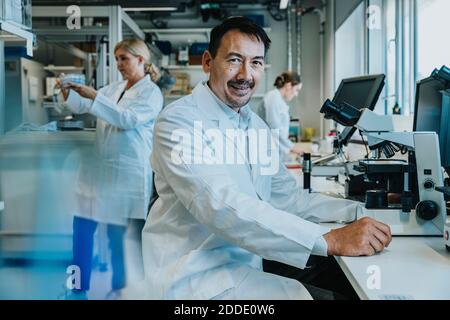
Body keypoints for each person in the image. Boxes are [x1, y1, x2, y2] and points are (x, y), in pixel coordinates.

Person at [142, 17, 392, 300]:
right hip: (197, 276)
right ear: (208, 62)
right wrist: (329, 239)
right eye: (234, 60)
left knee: (357, 282)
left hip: (250, 257)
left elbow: (288, 199)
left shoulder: (254, 126)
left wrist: (358, 213)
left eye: (256, 62)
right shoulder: (179, 122)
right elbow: (220, 205)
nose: (245, 75)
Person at [58, 39, 164, 299]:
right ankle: (77, 289)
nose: (118, 64)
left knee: (119, 240)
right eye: (116, 58)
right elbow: (84, 106)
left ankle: (121, 291)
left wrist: (94, 96)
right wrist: (67, 91)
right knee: (81, 229)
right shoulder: (114, 87)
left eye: (123, 58)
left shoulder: (151, 93)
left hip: (128, 177)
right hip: (99, 173)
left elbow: (126, 119)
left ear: (141, 60)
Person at [258, 71, 304, 156]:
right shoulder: (273, 97)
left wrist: (288, 149)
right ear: (288, 85)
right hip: (266, 150)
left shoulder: (279, 99)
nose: (296, 94)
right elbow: (275, 127)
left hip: (274, 149)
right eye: (296, 90)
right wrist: (292, 147)